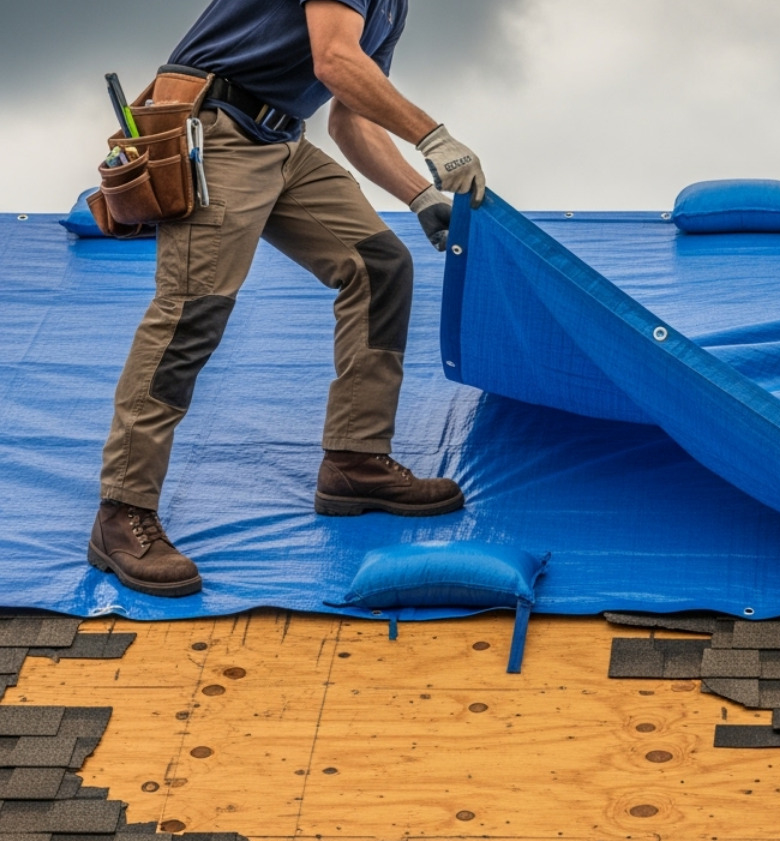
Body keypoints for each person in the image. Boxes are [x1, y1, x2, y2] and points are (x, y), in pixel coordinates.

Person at [89, 0, 485, 598]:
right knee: (190, 313)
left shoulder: (390, 7)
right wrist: (433, 137)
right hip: (215, 131)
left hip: (281, 141)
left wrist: (420, 196)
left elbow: (351, 118)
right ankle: (121, 513)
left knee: (379, 265)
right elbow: (333, 60)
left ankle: (355, 462)